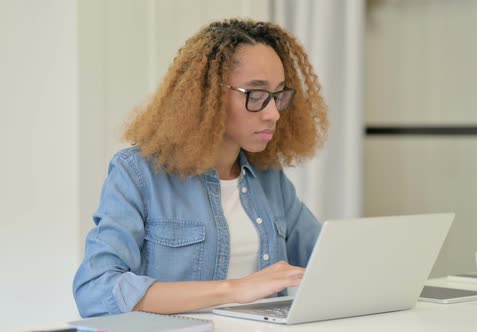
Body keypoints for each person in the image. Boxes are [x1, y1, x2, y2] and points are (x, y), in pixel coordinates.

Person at [73, 18, 328, 317]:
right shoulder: (138, 173)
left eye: (278, 95)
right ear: (211, 94)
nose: (273, 113)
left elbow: (325, 260)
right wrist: (234, 289)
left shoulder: (269, 178)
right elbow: (96, 289)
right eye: (256, 95)